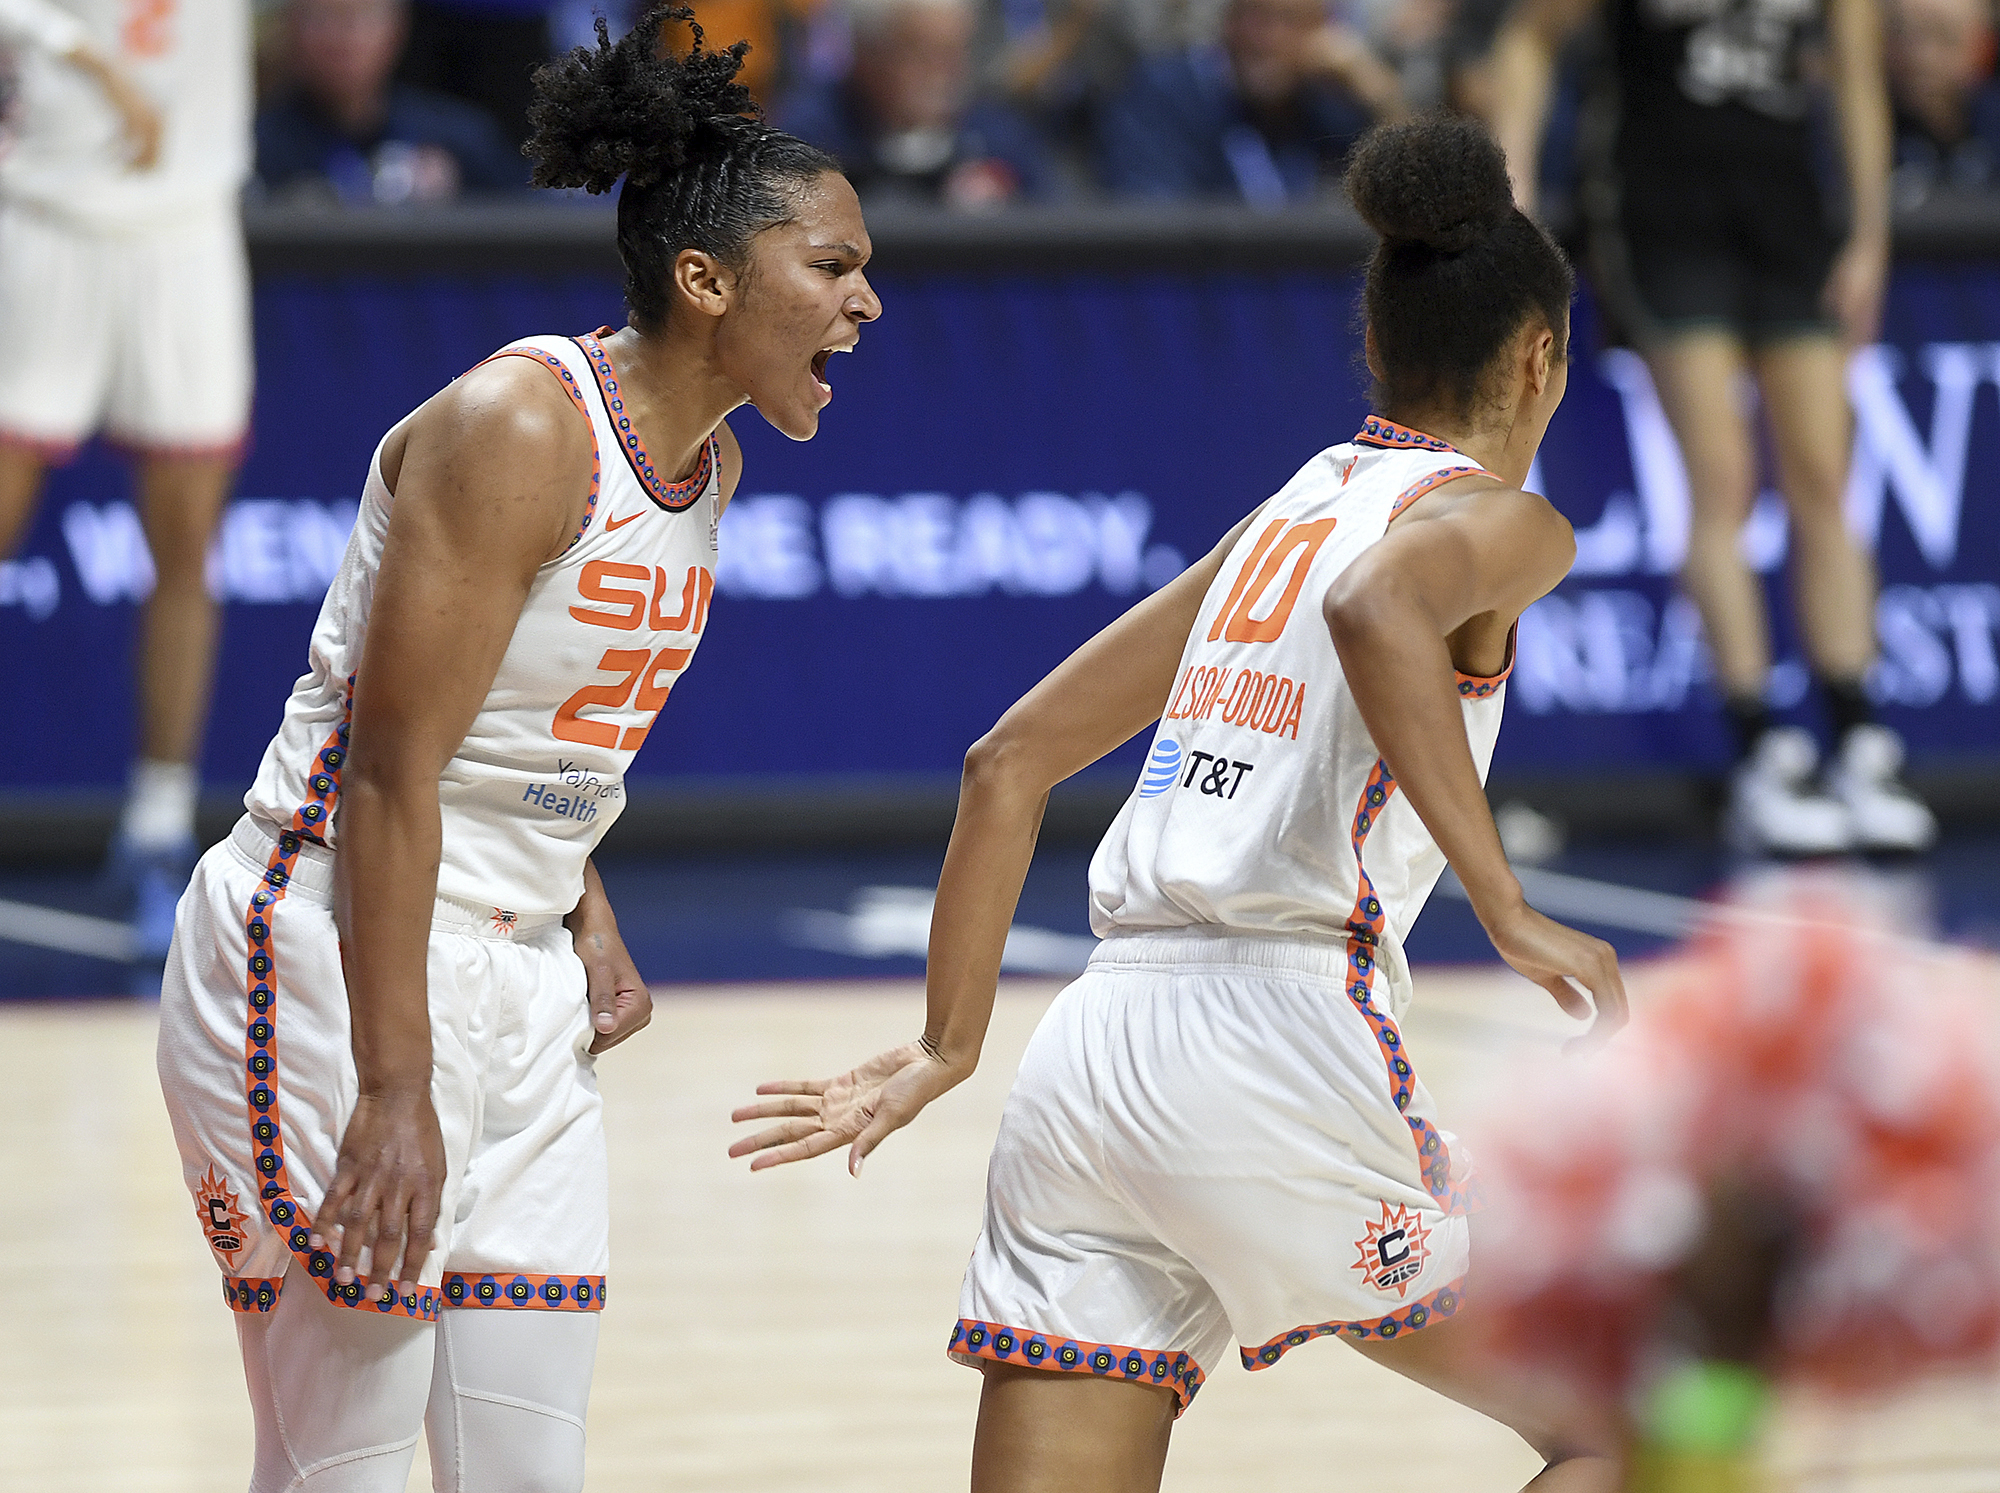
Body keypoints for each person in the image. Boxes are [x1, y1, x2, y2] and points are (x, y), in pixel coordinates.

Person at [733, 116, 1634, 1490]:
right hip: (1277, 1035)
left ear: (1380, 347)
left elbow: (1008, 761)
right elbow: (1381, 602)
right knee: (1638, 1432)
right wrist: (1508, 909)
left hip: (1091, 1063)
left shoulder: (1283, 510)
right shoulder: (1506, 523)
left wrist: (943, 1045)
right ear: (1539, 359)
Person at [156, 8, 878, 1489]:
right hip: (330, 948)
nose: (866, 303)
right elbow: (387, 770)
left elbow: (537, 729)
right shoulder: (521, 426)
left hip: (517, 967)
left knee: (525, 1467)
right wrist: (397, 1085)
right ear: (704, 278)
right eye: (835, 265)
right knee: (341, 1459)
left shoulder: (708, 461)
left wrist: (584, 909)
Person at [1488, 0, 1939, 856]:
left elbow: (1856, 73)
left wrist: (1871, 237)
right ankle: (1760, 743)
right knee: (1722, 477)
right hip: (1663, 213)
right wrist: (1514, 201)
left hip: (1786, 210)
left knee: (1823, 475)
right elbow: (1528, 37)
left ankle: (1856, 735)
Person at [0, 0, 251, 985]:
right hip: (43, 216)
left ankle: (155, 822)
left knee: (187, 546)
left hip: (183, 228)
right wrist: (73, 52)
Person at [1095, 0, 1406, 203]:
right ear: (1227, 23)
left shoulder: (1328, 103)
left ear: (1324, 34)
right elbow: (1151, 224)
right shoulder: (1167, 92)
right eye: (1255, 18)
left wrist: (1381, 96)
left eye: (1290, 22)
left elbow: (1412, 200)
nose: (1268, 40)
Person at [778, 0, 1051, 207]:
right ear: (867, 55)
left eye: (957, 52)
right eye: (924, 55)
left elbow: (1054, 222)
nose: (944, 74)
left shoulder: (997, 132)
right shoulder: (808, 133)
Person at [256, 0, 527, 204]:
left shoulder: (461, 139)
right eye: (322, 18)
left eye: (362, 18)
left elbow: (532, 224)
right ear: (290, 27)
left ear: (397, 28)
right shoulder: (256, 147)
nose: (343, 39)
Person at [1885, 0, 2000, 206]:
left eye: (1943, 37)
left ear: (1985, 47)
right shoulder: (1863, 131)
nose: (1920, 57)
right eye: (1903, 35)